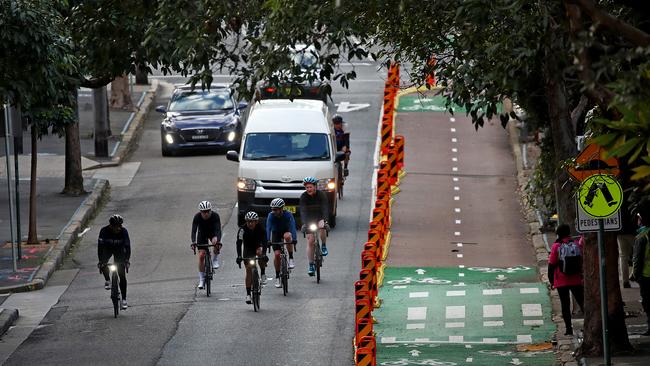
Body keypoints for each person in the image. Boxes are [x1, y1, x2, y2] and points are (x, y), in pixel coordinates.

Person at [548, 224, 584, 336]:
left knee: (565, 304)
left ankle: (568, 329)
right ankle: (588, 324)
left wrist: (552, 281)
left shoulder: (556, 246)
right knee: (582, 303)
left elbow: (551, 265)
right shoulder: (576, 243)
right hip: (576, 279)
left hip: (561, 280)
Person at [98, 214, 131, 310]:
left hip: (119, 251)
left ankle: (124, 299)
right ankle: (108, 280)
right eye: (116, 226)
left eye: (120, 225)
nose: (119, 228)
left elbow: (128, 247)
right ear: (111, 226)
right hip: (107, 249)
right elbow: (100, 247)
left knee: (122, 275)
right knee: (103, 262)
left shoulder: (124, 231)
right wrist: (100, 261)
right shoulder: (104, 231)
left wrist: (127, 260)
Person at [299, 176, 329, 276]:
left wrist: (325, 221)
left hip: (320, 217)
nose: (308, 189)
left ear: (315, 187)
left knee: (322, 227)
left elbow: (325, 208)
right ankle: (311, 264)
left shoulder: (321, 195)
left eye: (310, 187)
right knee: (310, 241)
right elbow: (303, 211)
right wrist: (304, 224)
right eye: (307, 187)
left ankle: (323, 245)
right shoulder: (303, 197)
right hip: (309, 219)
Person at [236, 211, 268, 304]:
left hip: (258, 245)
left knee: (260, 253)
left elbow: (265, 241)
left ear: (256, 221)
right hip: (248, 248)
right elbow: (238, 243)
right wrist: (239, 256)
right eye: (248, 221)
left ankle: (262, 273)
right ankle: (248, 294)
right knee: (248, 269)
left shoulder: (261, 228)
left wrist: (264, 254)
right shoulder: (242, 229)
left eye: (252, 221)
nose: (250, 223)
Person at [266, 198, 297, 288]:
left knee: (287, 237)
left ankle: (291, 258)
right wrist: (268, 240)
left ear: (281, 209)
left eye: (276, 209)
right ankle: (277, 277)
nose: (274, 211)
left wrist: (294, 239)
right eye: (272, 209)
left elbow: (292, 227)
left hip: (285, 231)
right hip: (276, 233)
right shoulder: (270, 216)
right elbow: (268, 228)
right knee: (277, 254)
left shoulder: (288, 215)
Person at [191, 200, 222, 290]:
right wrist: (193, 242)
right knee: (201, 256)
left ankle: (215, 259)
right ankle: (202, 279)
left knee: (216, 243)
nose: (206, 213)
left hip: (212, 233)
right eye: (204, 212)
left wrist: (218, 240)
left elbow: (218, 230)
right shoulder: (197, 217)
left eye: (208, 211)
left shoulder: (215, 216)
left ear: (210, 210)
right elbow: (193, 231)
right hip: (202, 234)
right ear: (200, 212)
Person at [631, 197, 650, 336]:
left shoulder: (642, 237)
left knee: (648, 303)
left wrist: (635, 275)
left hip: (647, 276)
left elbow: (637, 259)